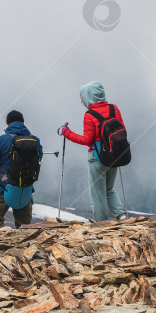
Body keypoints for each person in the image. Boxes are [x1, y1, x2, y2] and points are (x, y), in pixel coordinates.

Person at [60, 81, 128, 222]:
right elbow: (122, 130)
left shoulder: (89, 115)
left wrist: (67, 133)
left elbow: (87, 140)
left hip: (97, 158)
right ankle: (122, 216)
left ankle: (100, 224)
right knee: (109, 189)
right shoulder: (114, 109)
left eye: (82, 97)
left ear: (88, 96)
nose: (81, 100)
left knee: (97, 194)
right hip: (115, 155)